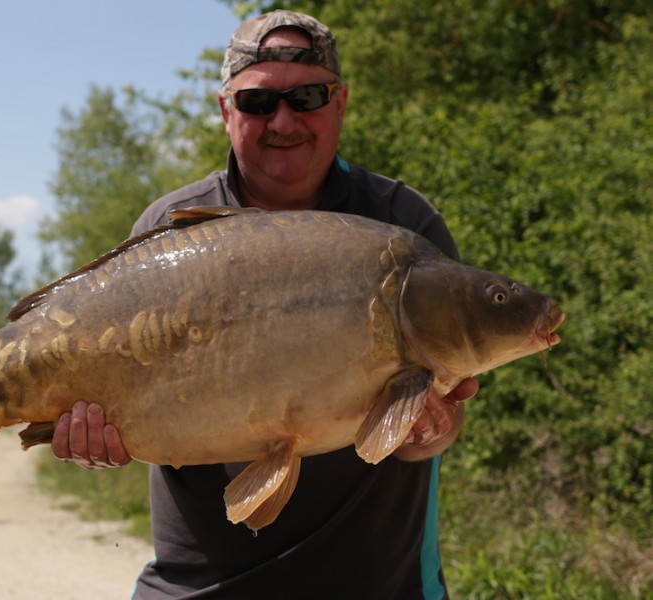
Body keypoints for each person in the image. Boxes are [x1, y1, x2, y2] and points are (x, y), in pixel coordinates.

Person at [52, 10, 478, 599]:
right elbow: (118, 395)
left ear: (341, 104)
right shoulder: (170, 229)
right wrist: (88, 438)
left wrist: (431, 427)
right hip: (201, 585)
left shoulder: (402, 223)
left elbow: (441, 423)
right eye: (257, 103)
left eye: (307, 96)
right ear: (227, 111)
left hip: (379, 585)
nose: (283, 120)